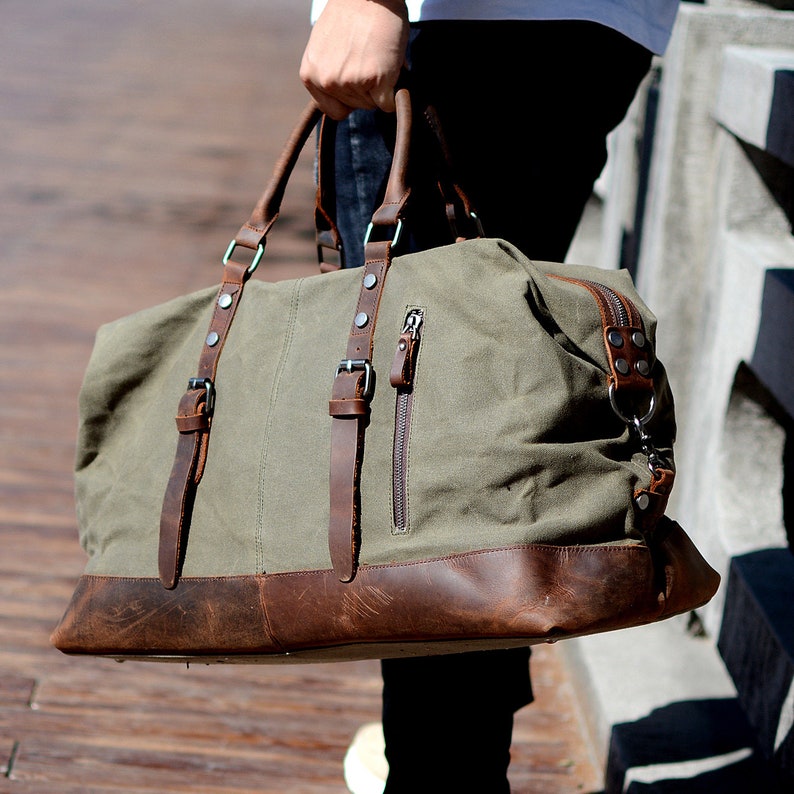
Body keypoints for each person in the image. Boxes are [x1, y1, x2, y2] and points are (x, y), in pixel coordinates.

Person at [300, 2, 681, 791]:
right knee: (479, 419)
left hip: (458, 24)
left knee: (425, 442)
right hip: (589, 27)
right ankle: (447, 730)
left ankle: (444, 758)